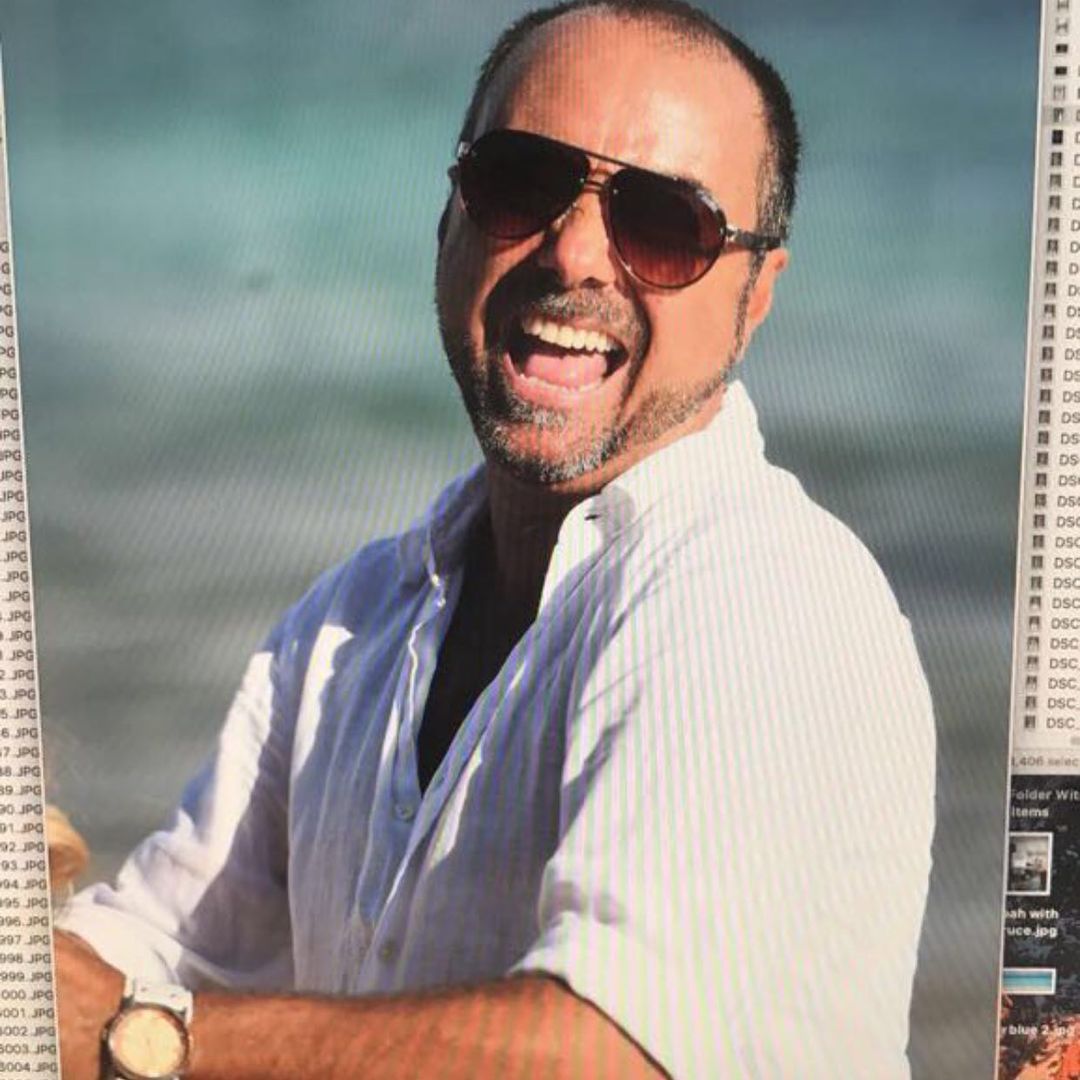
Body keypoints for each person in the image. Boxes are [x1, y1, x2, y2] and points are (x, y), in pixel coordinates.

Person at [53, 1, 935, 1076]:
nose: (575, 253)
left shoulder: (766, 596)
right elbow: (158, 945)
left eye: (666, 224)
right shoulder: (354, 622)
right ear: (450, 217)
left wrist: (152, 1039)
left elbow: (622, 1054)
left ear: (756, 297)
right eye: (522, 181)